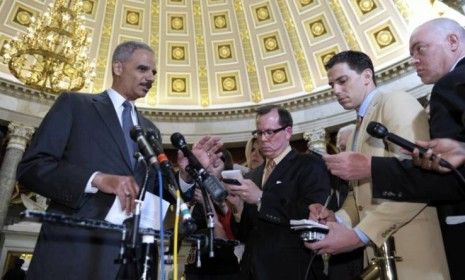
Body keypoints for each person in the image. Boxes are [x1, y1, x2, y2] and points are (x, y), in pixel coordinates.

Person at [323, 18, 465, 279]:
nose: (336, 90)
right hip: (383, 253)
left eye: (342, 81)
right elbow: (361, 196)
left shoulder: (396, 101)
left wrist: (359, 234)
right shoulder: (357, 126)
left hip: (414, 252)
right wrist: (338, 219)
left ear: (367, 76)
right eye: (332, 85)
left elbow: (420, 181)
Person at [16, 41, 163, 279]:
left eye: (154, 72)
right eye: (142, 69)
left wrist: (185, 176)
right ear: (118, 67)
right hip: (75, 255)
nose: (150, 77)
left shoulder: (151, 130)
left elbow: (153, 189)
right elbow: (32, 167)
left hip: (131, 262)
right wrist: (95, 179)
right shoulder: (75, 105)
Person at [225, 105, 331, 280]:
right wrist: (237, 208)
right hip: (251, 271)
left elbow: (310, 216)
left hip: (292, 270)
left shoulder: (309, 165)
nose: (263, 139)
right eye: (259, 133)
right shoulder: (253, 174)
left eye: (270, 132)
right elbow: (244, 234)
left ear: (288, 132)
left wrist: (260, 198)